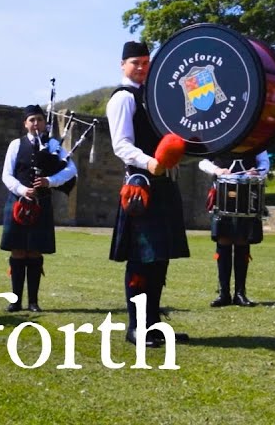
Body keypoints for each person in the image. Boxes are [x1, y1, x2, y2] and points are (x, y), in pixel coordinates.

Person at [107, 41, 190, 347]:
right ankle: (135, 327)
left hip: (164, 184)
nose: (141, 68)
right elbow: (122, 145)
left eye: (145, 62)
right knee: (141, 259)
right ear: (122, 65)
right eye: (135, 63)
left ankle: (153, 325)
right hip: (141, 185)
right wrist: (151, 162)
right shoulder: (123, 98)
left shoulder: (156, 97)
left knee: (159, 259)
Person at [0, 105, 77, 312]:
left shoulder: (53, 146)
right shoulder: (16, 145)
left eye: (40, 120)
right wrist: (22, 189)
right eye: (32, 120)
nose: (36, 124)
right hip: (18, 203)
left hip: (41, 204)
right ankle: (15, 301)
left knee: (34, 252)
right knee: (18, 251)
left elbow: (71, 170)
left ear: (45, 123)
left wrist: (50, 181)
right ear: (25, 123)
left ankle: (33, 302)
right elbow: (6, 175)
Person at [199, 149, 270, 307]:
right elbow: (202, 162)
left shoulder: (255, 139)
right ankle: (224, 294)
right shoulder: (219, 137)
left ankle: (240, 293)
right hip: (223, 195)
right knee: (223, 242)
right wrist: (217, 170)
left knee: (242, 242)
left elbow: (264, 162)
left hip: (246, 196)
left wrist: (257, 172)